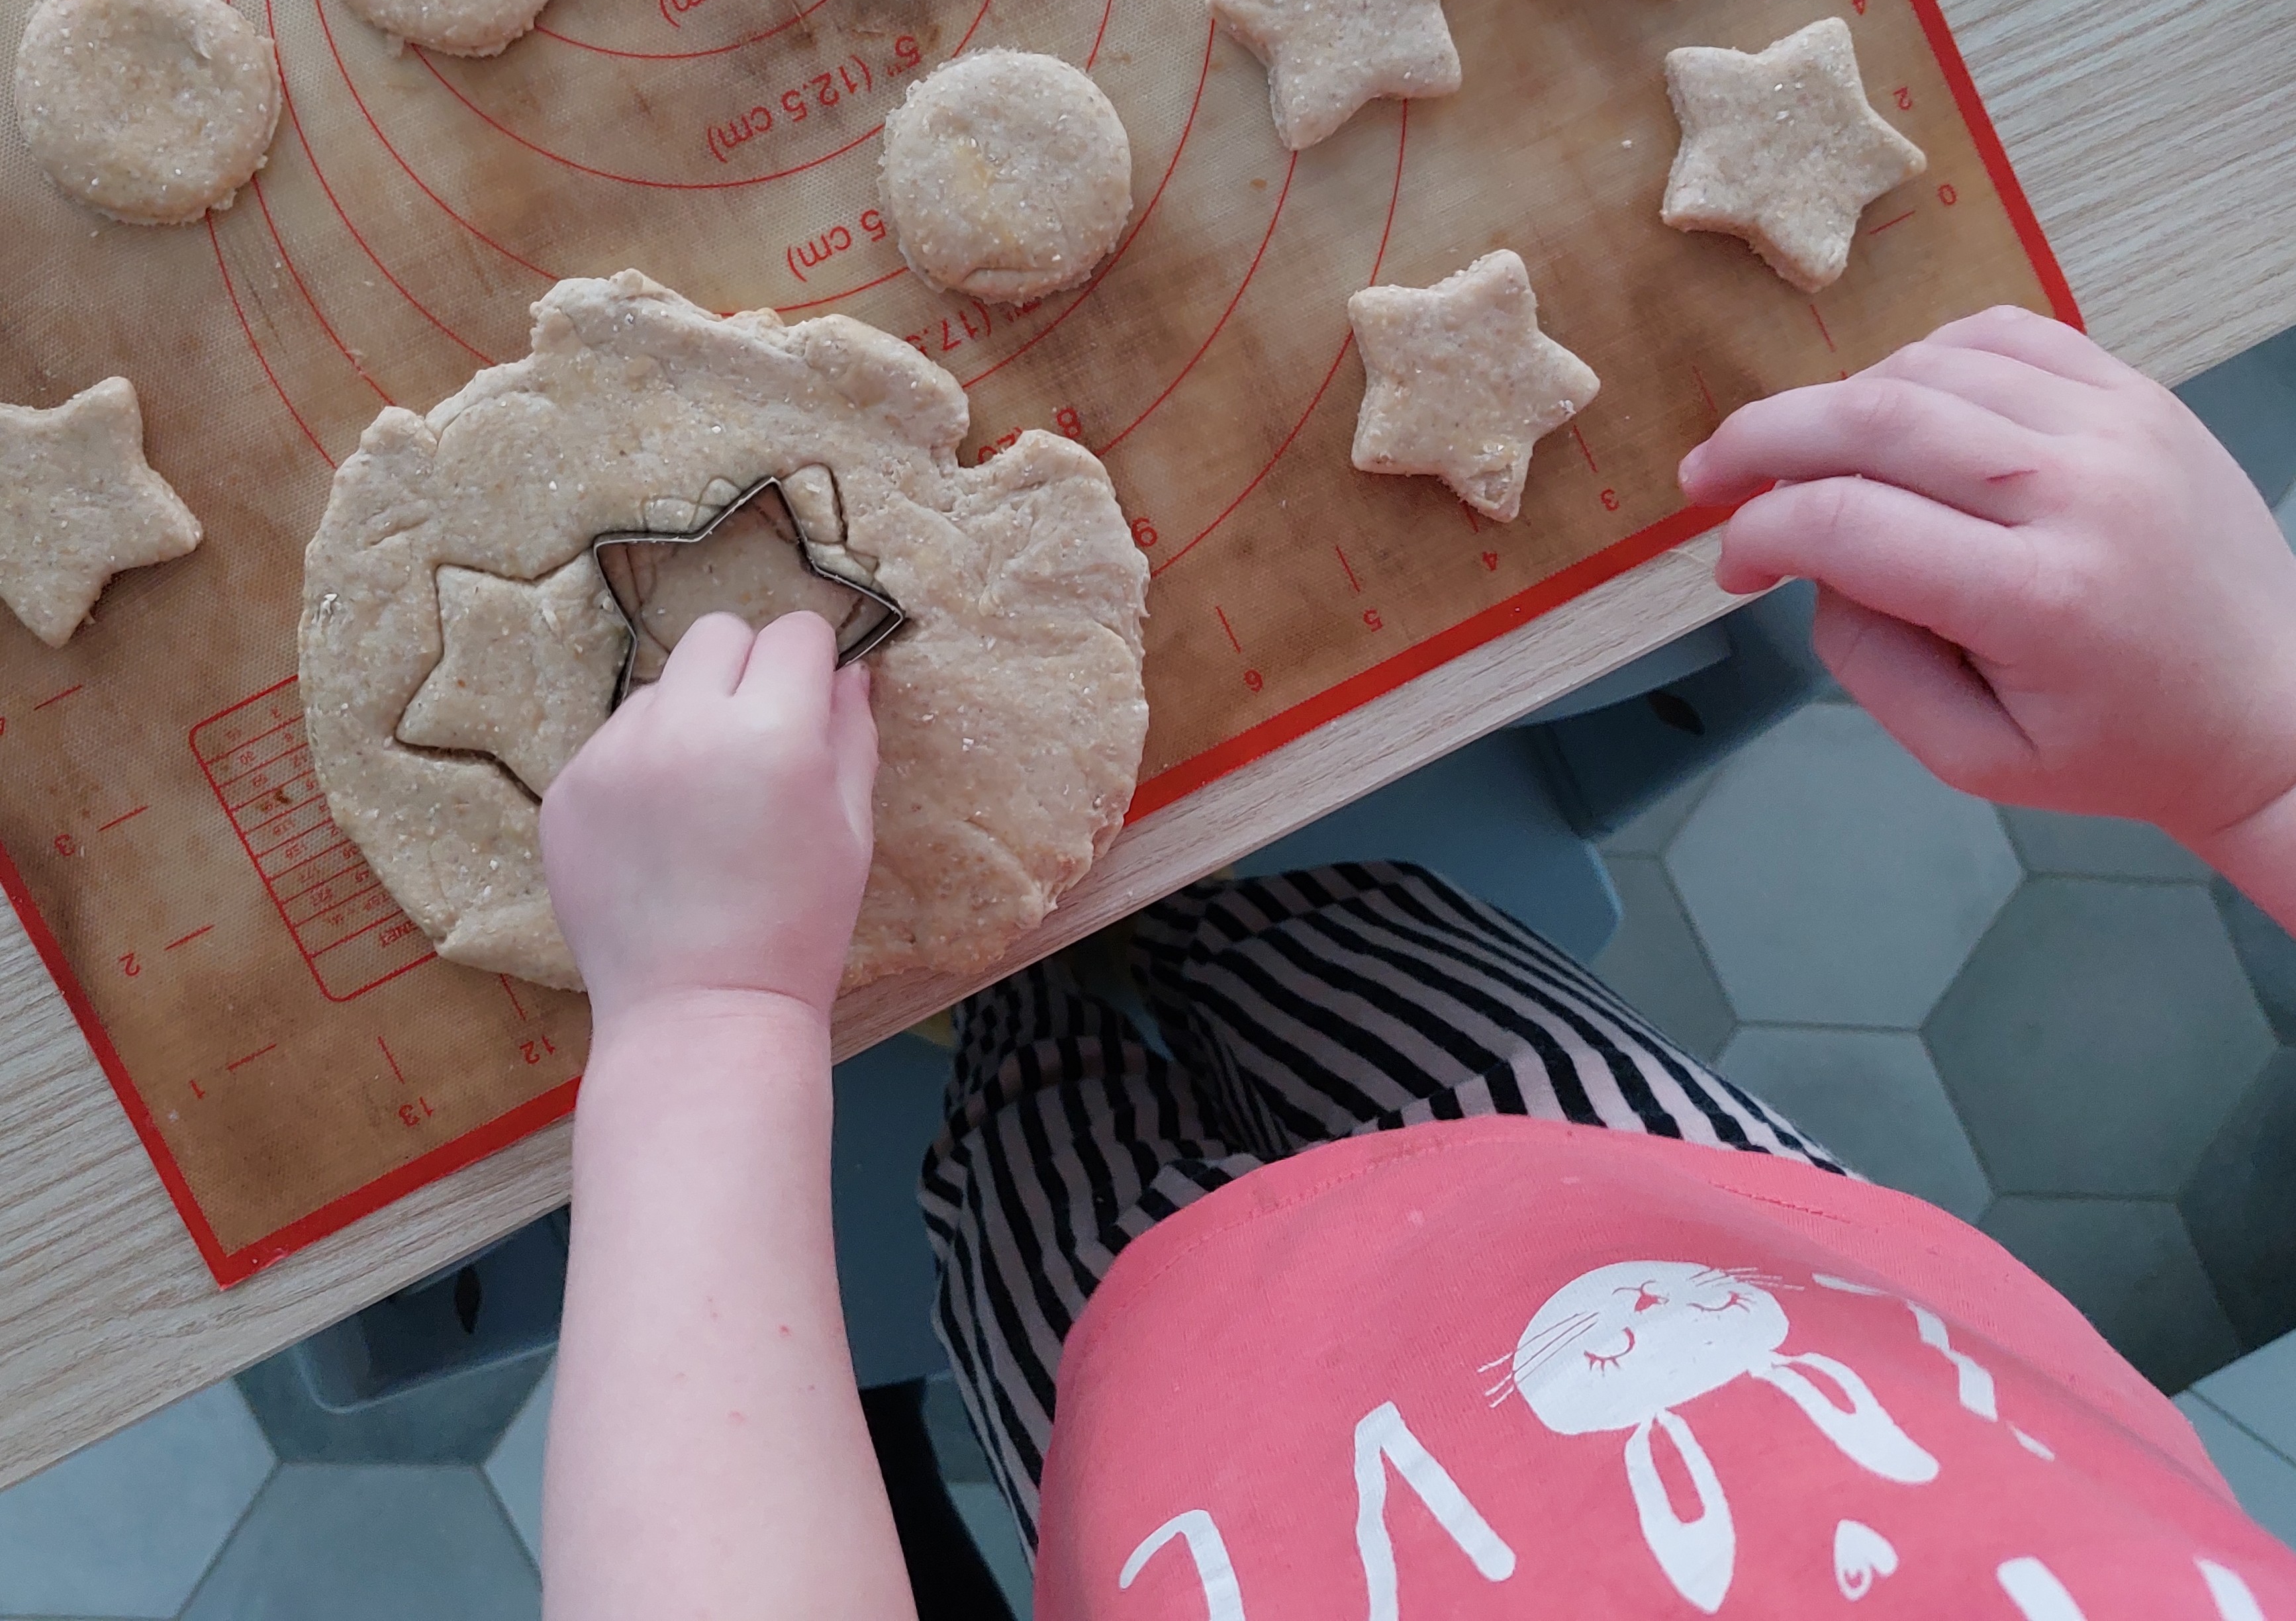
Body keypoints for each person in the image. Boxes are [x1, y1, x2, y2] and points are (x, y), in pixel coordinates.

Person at [535, 305, 2296, 1619]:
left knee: (1026, 1123)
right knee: (1332, 936)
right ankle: (1161, 931)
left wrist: (708, 1018)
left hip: (1147, 1406)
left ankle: (1011, 1015)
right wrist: (2262, 757)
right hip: (1640, 1197)